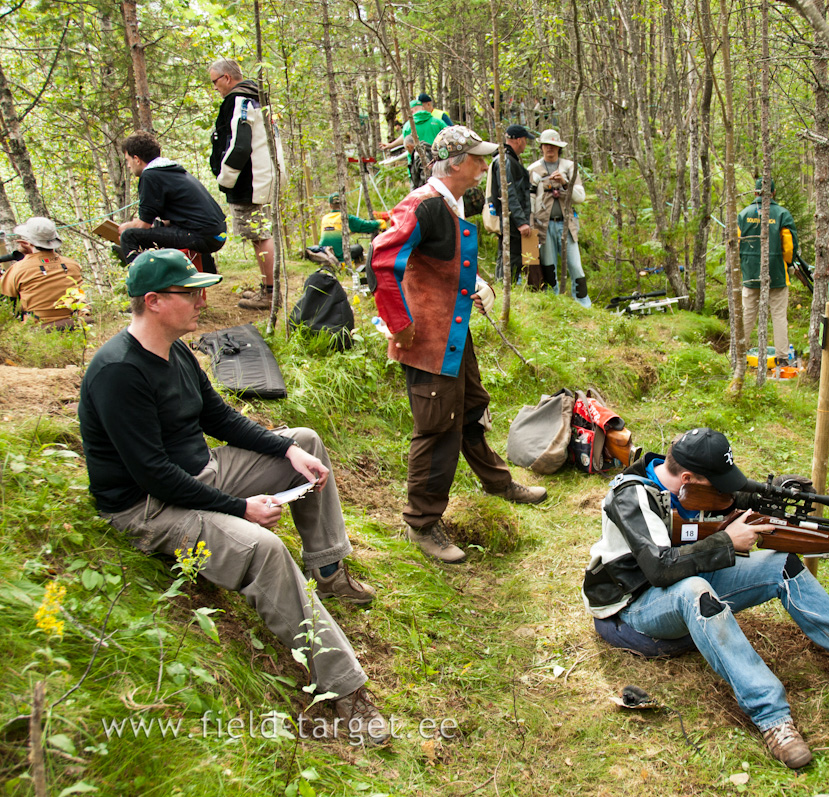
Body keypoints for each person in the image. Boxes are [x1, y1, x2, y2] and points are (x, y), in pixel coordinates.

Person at [78, 248, 387, 742]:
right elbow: (153, 474)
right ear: (154, 301)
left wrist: (286, 452)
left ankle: (327, 570)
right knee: (264, 550)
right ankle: (343, 690)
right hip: (151, 506)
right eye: (191, 292)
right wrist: (241, 509)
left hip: (201, 472)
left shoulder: (175, 349)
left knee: (304, 441)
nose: (203, 300)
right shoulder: (119, 371)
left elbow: (218, 419)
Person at [582, 428, 829, 769]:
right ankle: (772, 717)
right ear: (688, 478)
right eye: (717, 485)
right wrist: (726, 542)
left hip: (683, 585)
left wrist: (773, 496)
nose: (725, 491)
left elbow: (732, 498)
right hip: (632, 610)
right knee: (695, 592)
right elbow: (659, 570)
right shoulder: (632, 496)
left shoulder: (689, 486)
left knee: (780, 562)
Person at [371, 126, 547, 564]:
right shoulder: (423, 205)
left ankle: (497, 482)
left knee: (470, 407)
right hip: (427, 341)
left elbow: (436, 265)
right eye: (476, 159)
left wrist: (473, 285)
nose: (483, 166)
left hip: (451, 333)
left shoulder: (446, 204)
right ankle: (423, 523)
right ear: (454, 163)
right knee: (436, 428)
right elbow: (381, 259)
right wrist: (399, 323)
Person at [208, 58, 277, 311]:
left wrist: (226, 177)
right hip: (255, 176)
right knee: (257, 234)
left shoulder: (241, 100)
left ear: (227, 77)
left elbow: (239, 142)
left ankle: (271, 292)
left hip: (248, 179)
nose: (214, 87)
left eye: (215, 81)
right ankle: (267, 288)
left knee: (260, 234)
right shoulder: (254, 98)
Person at [118, 132, 227, 275]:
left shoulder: (150, 175)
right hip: (217, 233)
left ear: (137, 159)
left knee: (129, 236)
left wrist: (125, 227)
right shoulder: (171, 170)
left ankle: (143, 283)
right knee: (160, 227)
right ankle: (206, 271)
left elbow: (143, 225)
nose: (128, 165)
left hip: (202, 236)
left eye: (128, 160)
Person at [738, 178, 799, 363]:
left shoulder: (743, 214)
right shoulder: (782, 214)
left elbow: (736, 245)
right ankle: (782, 357)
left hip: (749, 274)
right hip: (777, 274)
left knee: (747, 313)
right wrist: (788, 264)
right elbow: (788, 247)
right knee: (779, 315)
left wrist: (745, 266)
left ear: (755, 193)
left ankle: (739, 355)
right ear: (773, 193)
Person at [528, 129, 590, 307]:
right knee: (549, 265)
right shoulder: (533, 170)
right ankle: (554, 302)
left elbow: (580, 197)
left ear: (559, 148)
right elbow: (530, 199)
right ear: (541, 147)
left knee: (576, 266)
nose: (550, 149)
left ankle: (583, 303)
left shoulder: (569, 167)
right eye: (547, 145)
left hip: (567, 225)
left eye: (554, 146)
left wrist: (564, 182)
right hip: (543, 226)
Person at [1, 217, 86, 330]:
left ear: (28, 241)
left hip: (39, 328)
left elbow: (5, 296)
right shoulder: (73, 265)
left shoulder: (19, 268)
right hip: (75, 323)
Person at [489, 124, 537, 286]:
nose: (526, 145)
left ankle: (508, 288)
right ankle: (504, 289)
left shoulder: (508, 159)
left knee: (511, 255)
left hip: (512, 219)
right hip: (511, 221)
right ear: (519, 140)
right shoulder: (505, 161)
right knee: (511, 256)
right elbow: (509, 193)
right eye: (525, 141)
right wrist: (521, 221)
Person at [308, 194, 387, 265]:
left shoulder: (324, 218)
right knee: (358, 248)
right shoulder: (346, 218)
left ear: (330, 206)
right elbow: (365, 225)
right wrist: (380, 223)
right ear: (343, 204)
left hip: (325, 253)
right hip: (341, 256)